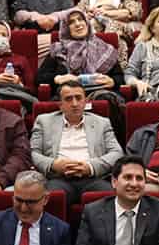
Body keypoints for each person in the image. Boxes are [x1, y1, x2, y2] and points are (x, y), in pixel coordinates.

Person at [29, 83, 122, 211]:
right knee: (51, 198)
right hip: (58, 178)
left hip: (93, 178)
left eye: (78, 98)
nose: (74, 103)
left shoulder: (102, 123)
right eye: (68, 99)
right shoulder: (44, 121)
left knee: (110, 197)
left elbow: (117, 153)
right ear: (60, 104)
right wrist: (53, 164)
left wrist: (90, 167)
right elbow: (33, 153)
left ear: (85, 101)